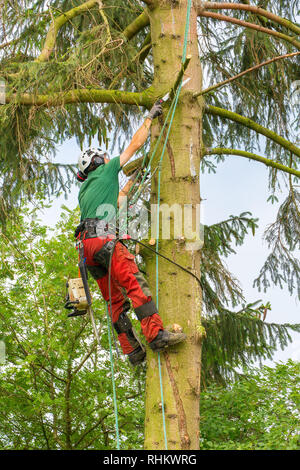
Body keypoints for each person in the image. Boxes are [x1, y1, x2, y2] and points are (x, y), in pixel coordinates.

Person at [75, 102, 186, 365]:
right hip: (105, 242)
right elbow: (135, 145)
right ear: (98, 161)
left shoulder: (87, 189)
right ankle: (156, 334)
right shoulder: (106, 169)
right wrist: (149, 118)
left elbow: (120, 197)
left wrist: (136, 178)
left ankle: (132, 351)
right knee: (135, 284)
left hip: (87, 250)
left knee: (114, 300)